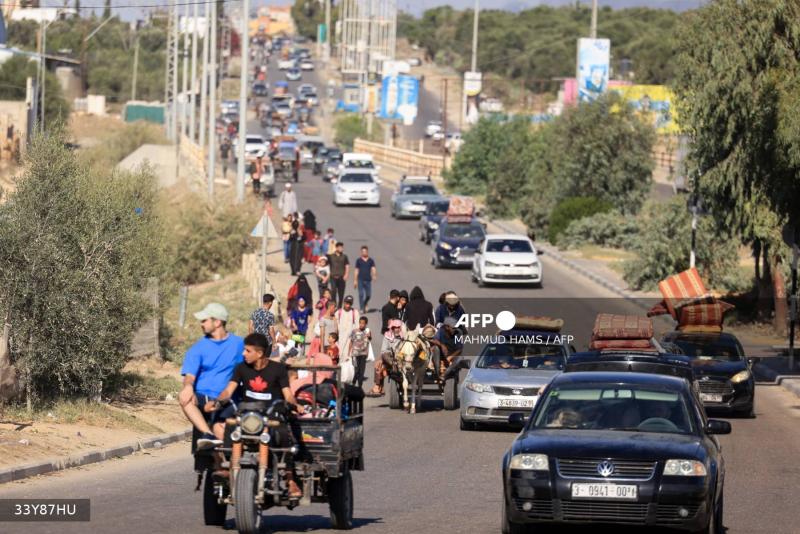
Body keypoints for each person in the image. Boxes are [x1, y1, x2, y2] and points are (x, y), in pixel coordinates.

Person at [213, 333, 303, 498]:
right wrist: (218, 401)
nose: (243, 354)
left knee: (285, 437)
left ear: (260, 353)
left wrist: (294, 404)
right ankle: (228, 466)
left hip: (272, 416)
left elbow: (288, 394)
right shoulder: (241, 368)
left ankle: (290, 480)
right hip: (247, 417)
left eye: (248, 351)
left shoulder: (278, 369)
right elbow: (229, 390)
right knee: (230, 426)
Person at [179, 303, 244, 449]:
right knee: (184, 397)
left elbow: (253, 363)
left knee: (223, 435)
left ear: (218, 322)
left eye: (204, 320)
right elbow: (189, 376)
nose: (201, 324)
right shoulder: (197, 348)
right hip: (202, 397)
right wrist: (188, 386)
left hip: (228, 398)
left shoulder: (239, 344)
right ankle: (207, 434)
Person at [367, 319, 404, 397]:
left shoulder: (404, 336)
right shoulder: (387, 336)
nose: (397, 329)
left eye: (398, 327)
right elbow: (383, 350)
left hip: (402, 358)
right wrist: (386, 359)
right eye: (395, 327)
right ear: (392, 328)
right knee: (378, 364)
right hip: (390, 359)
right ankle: (378, 386)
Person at [349, 316, 372, 387]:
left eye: (363, 323)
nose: (361, 324)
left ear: (366, 324)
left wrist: (369, 336)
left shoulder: (367, 331)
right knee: (356, 370)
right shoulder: (354, 331)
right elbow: (351, 341)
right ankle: (353, 382)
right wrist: (349, 352)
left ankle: (360, 386)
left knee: (362, 370)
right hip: (355, 353)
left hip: (363, 353)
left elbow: (369, 340)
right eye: (360, 323)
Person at [353, 246, 377, 314]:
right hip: (360, 280)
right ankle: (361, 308)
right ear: (361, 252)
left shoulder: (371, 260)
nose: (364, 253)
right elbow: (356, 270)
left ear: (367, 252)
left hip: (368, 280)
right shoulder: (358, 260)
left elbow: (373, 268)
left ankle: (365, 303)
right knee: (361, 294)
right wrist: (355, 280)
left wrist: (374, 275)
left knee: (368, 295)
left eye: (365, 251)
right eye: (363, 251)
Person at [327, 242, 350, 308]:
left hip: (341, 277)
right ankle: (334, 304)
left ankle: (340, 306)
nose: (341, 249)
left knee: (341, 293)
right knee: (333, 291)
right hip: (333, 277)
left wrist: (346, 274)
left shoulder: (344, 257)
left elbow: (347, 266)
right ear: (336, 248)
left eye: (342, 247)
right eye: (340, 247)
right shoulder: (331, 256)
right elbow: (326, 264)